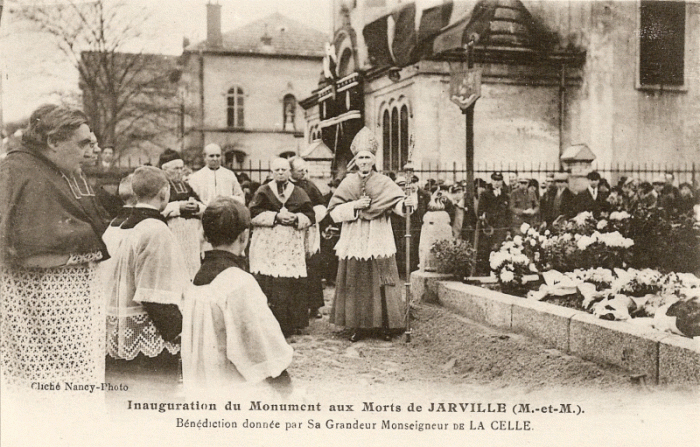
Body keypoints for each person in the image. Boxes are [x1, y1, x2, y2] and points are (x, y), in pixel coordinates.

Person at [0, 104, 108, 390]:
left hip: (62, 315)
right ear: (53, 141)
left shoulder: (51, 168)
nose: (91, 151)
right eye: (83, 143)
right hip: (42, 316)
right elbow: (26, 252)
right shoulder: (20, 170)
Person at [182, 197, 293, 395]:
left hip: (204, 388)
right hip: (237, 393)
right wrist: (285, 388)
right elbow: (262, 345)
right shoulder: (238, 282)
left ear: (206, 236)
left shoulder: (196, 281)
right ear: (244, 236)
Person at [327, 127, 409, 342]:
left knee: (381, 277)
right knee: (357, 278)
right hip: (355, 235)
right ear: (356, 159)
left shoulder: (384, 182)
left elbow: (397, 205)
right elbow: (333, 212)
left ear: (373, 160)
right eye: (360, 157)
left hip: (378, 234)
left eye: (367, 157)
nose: (364, 161)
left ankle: (384, 325)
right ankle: (358, 325)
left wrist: (405, 203)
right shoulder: (348, 182)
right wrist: (355, 205)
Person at [103, 166, 189, 366]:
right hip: (152, 338)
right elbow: (154, 293)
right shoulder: (155, 230)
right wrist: (180, 332)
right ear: (164, 192)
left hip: (125, 329)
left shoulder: (127, 225)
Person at [248, 158, 315, 337]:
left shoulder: (299, 191)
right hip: (268, 243)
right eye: (277, 169)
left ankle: (290, 324)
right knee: (268, 280)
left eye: (284, 169)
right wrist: (275, 217)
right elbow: (252, 214)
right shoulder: (263, 191)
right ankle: (267, 324)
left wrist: (296, 219)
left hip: (290, 243)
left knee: (289, 281)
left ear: (289, 172)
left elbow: (310, 214)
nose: (280, 172)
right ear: (271, 171)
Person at [289, 156, 327, 319]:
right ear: (291, 171)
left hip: (309, 231)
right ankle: (297, 306)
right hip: (290, 232)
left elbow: (321, 207)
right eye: (300, 170)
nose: (304, 173)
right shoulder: (285, 186)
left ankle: (314, 306)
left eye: (305, 170)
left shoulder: (310, 186)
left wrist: (312, 218)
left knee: (312, 267)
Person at [159, 149, 206, 279]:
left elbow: (202, 204)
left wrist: (196, 207)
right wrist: (179, 207)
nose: (180, 172)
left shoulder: (187, 186)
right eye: (176, 169)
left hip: (190, 236)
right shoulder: (159, 186)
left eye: (181, 168)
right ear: (165, 169)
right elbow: (158, 208)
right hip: (172, 232)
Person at [477, 172, 510, 273]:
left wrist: (507, 228)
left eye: (499, 180)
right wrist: (484, 218)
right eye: (495, 180)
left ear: (501, 181)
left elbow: (508, 213)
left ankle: (499, 271)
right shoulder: (485, 194)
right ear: (491, 181)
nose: (496, 182)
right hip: (489, 227)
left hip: (501, 227)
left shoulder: (505, 195)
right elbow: (480, 211)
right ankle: (487, 271)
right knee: (488, 249)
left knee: (500, 248)